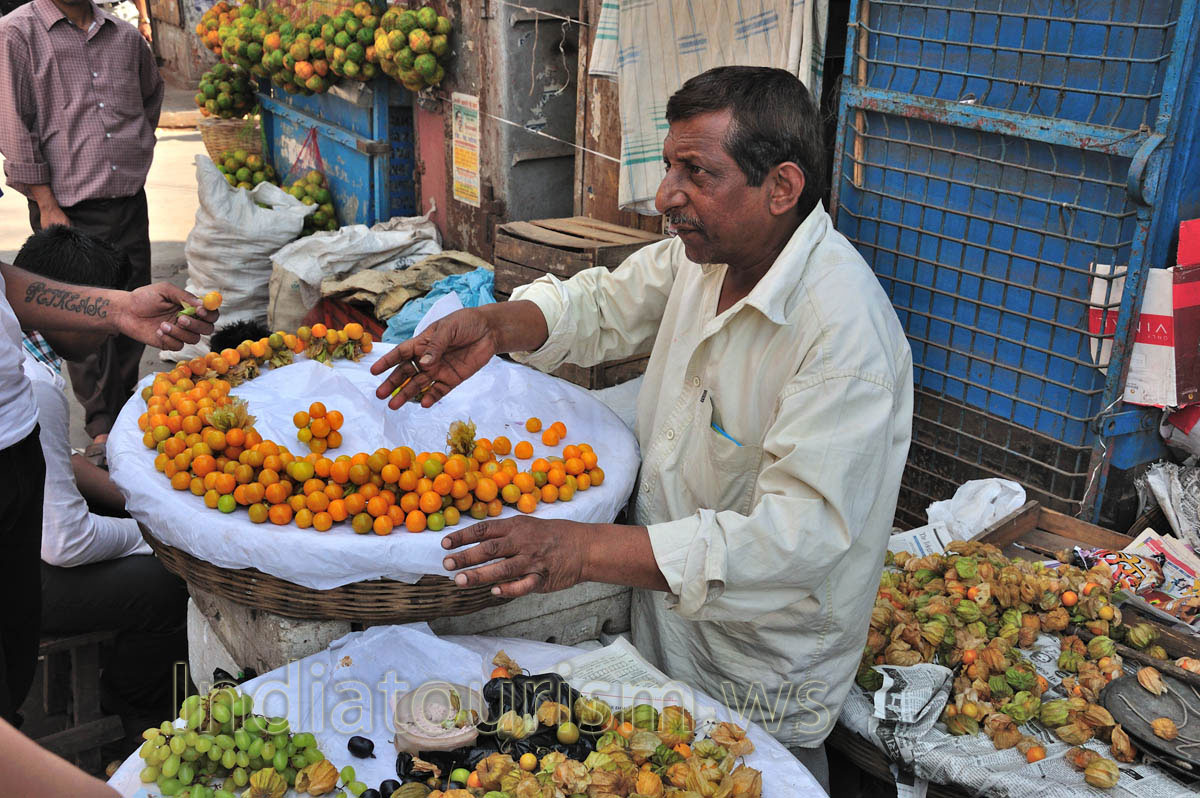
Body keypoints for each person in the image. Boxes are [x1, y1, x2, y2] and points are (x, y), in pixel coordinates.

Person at [373, 66, 913, 793]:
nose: (665, 197)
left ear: (781, 188)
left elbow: (798, 538)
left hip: (757, 678)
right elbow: (604, 303)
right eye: (668, 166)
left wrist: (582, 547)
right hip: (662, 637)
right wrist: (498, 326)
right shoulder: (711, 256)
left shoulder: (844, 345)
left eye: (696, 172)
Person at [0, 250, 215, 726]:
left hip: (24, 516)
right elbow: (67, 544)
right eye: (100, 328)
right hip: (37, 560)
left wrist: (135, 499)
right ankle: (136, 712)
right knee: (173, 583)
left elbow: (57, 463)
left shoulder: (29, 373)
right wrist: (161, 537)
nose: (105, 343)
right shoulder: (36, 386)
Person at [0, 0, 164, 461]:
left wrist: (135, 147)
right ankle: (99, 427)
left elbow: (150, 96)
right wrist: (45, 203)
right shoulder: (17, 33)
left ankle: (127, 412)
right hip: (65, 208)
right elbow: (14, 128)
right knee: (79, 321)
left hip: (127, 202)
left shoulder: (125, 36)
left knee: (135, 308)